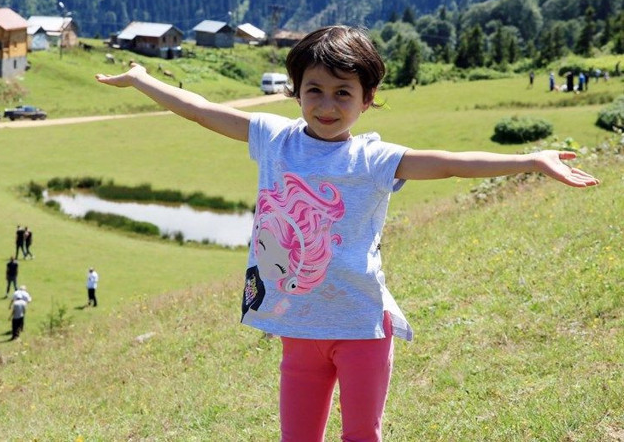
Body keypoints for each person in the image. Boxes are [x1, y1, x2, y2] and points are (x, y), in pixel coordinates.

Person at [95, 25, 599, 441]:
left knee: (362, 436)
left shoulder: (373, 159)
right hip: (300, 325)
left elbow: (448, 164)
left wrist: (529, 159)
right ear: (296, 91)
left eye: (343, 93)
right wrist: (142, 78)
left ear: (367, 99)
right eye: (314, 90)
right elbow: (201, 109)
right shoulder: (273, 138)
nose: (327, 105)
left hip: (362, 327)